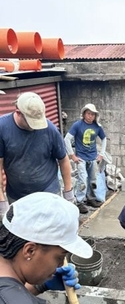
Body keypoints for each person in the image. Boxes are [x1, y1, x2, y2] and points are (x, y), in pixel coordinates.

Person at [0, 91, 74, 220]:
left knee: (49, 234)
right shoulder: (2, 128)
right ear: (18, 113)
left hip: (48, 192)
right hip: (17, 196)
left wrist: (69, 193)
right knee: (21, 237)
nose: (35, 126)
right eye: (31, 122)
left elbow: (63, 160)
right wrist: (2, 202)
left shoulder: (49, 129)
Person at [64, 103, 107, 214]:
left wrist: (101, 154)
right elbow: (67, 139)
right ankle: (80, 202)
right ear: (84, 114)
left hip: (93, 157)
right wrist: (72, 155)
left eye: (92, 114)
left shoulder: (97, 126)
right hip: (81, 158)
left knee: (93, 180)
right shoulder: (77, 125)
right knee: (82, 180)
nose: (90, 116)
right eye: (88, 114)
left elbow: (104, 138)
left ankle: (90, 199)